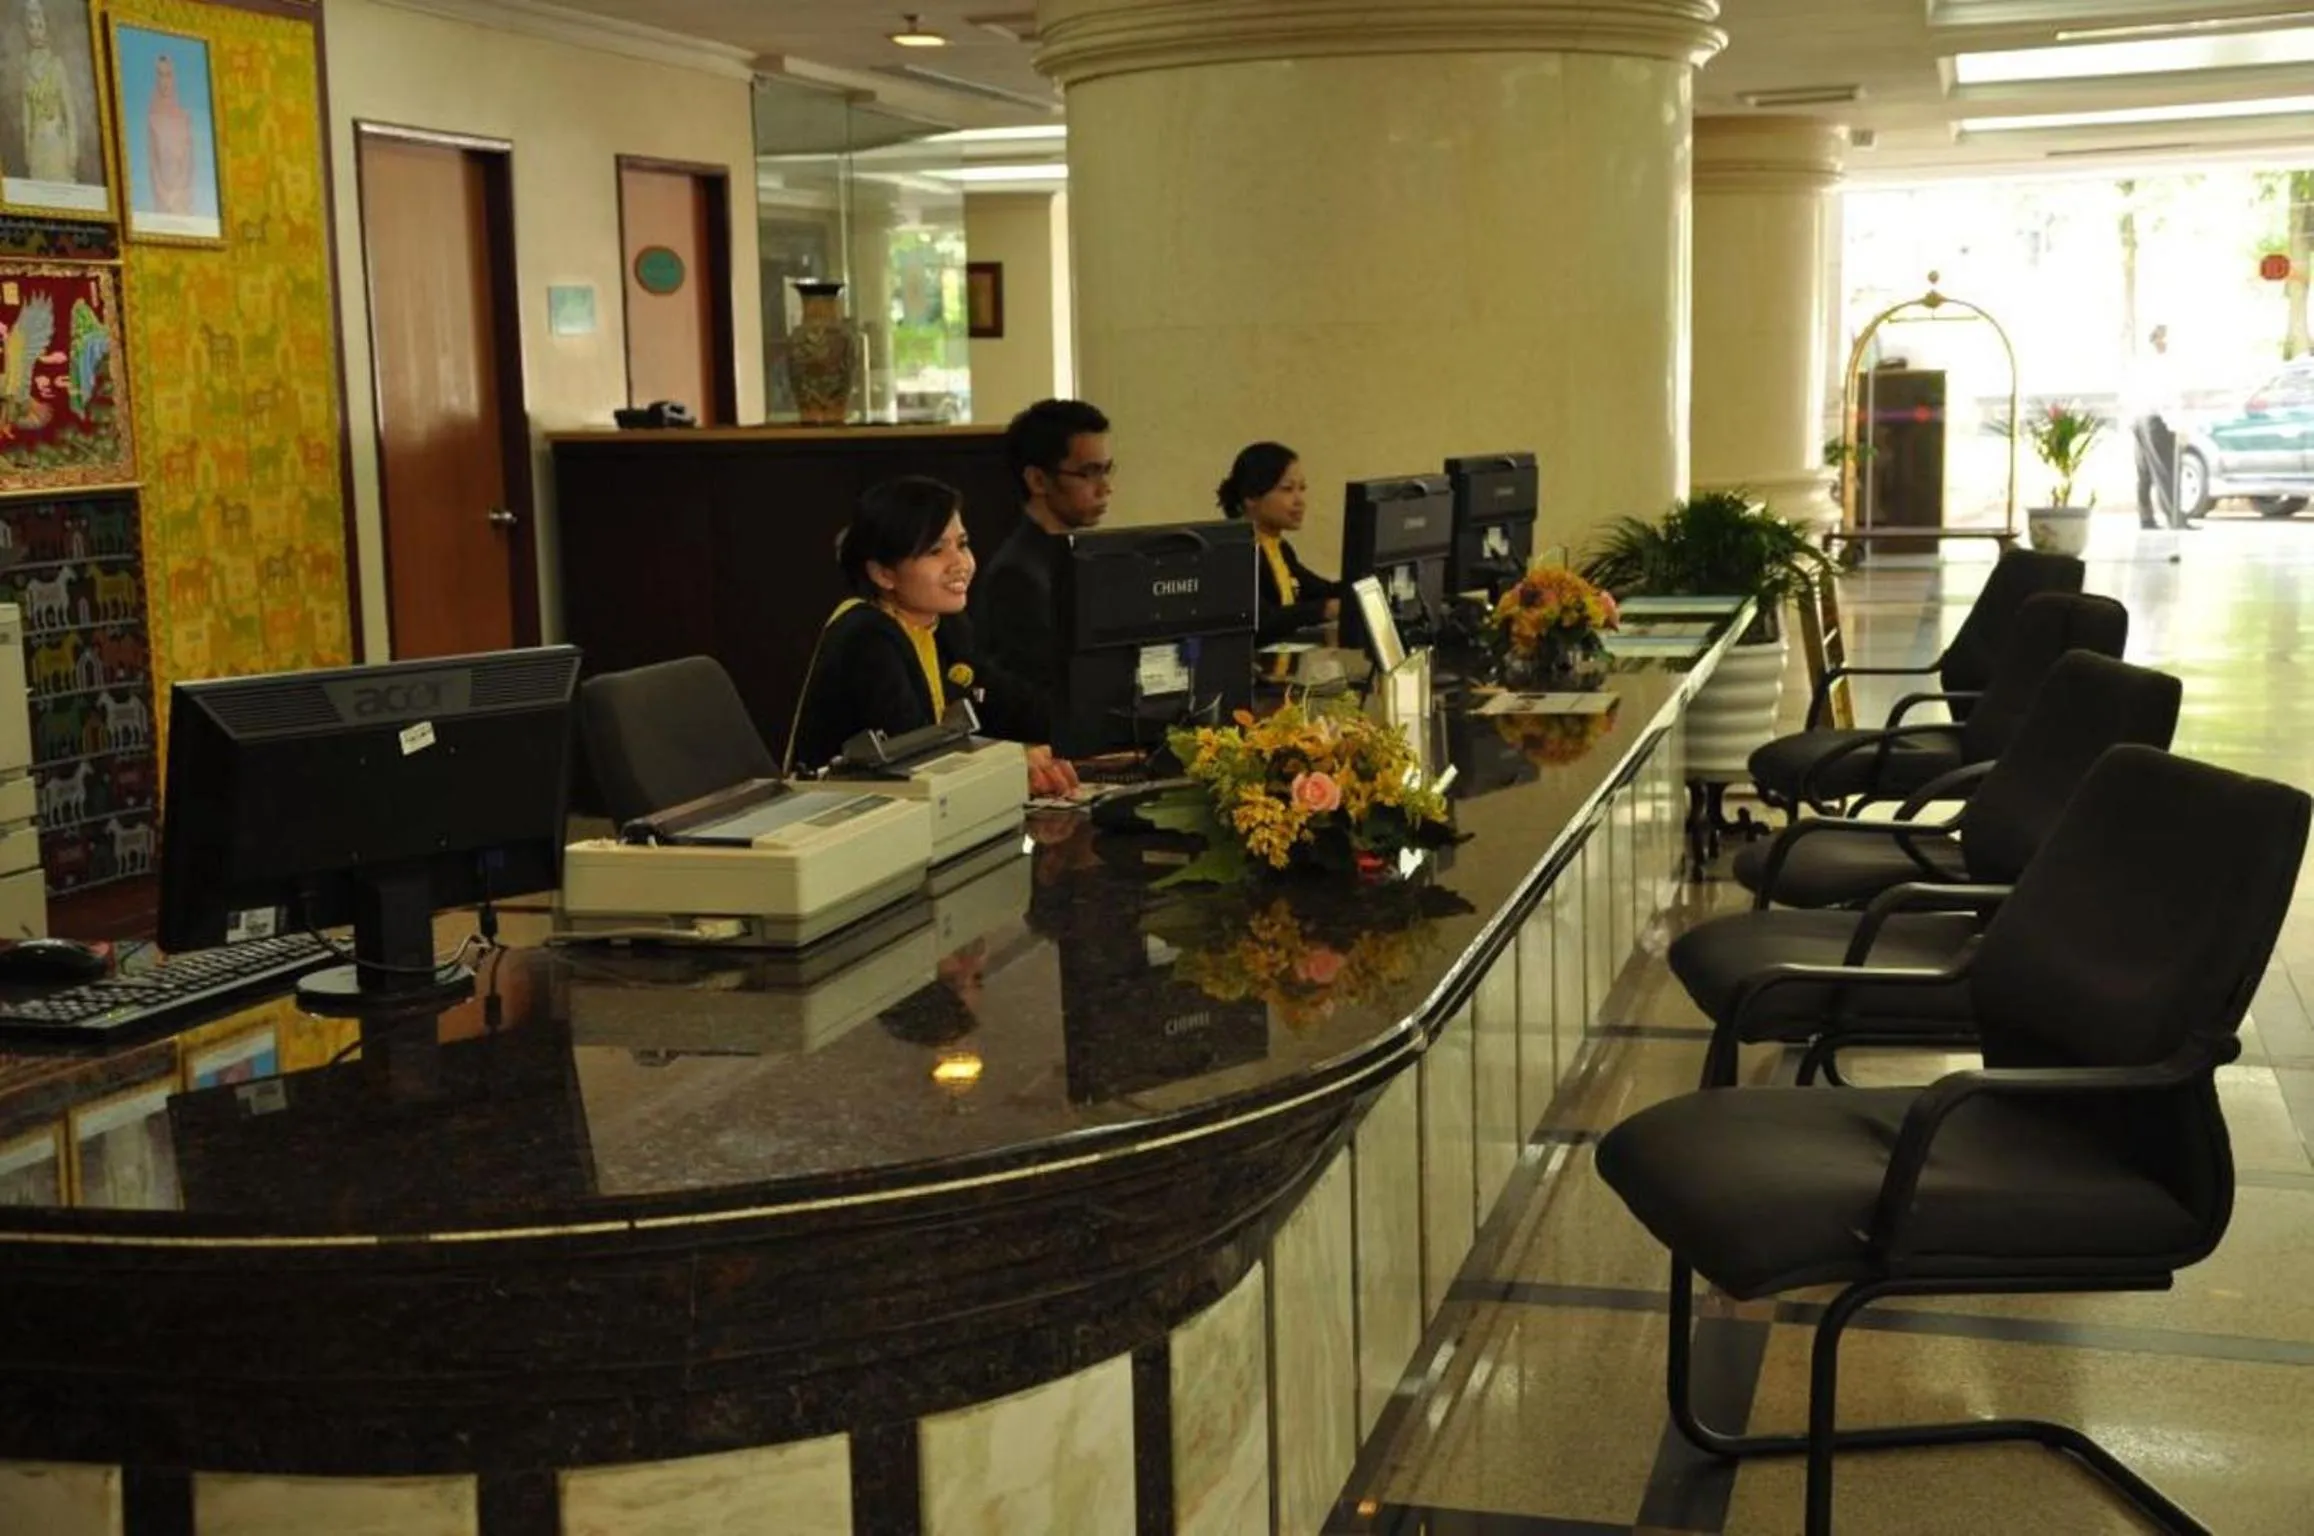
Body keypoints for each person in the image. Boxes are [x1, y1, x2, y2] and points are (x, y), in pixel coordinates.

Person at [788, 475, 1078, 798]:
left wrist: (1088, 733)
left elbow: (1004, 700)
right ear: (883, 573)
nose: (960, 564)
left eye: (963, 544)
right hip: (841, 819)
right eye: (936, 550)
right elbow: (917, 756)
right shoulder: (866, 637)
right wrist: (1015, 759)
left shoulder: (944, 624)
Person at [976, 398, 1112, 694]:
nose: (1105, 488)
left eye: (1107, 470)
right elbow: (1042, 690)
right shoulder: (1017, 574)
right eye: (1089, 473)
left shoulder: (1079, 554)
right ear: (1038, 480)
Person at [1217, 441, 1341, 642]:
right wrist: (1325, 610)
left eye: (1302, 488)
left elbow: (1319, 590)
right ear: (1251, 496)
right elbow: (1262, 620)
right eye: (1287, 489)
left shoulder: (1279, 548)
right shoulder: (1235, 554)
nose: (1299, 500)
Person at [2129, 323, 2189, 532]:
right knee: (2165, 469)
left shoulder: (2141, 361)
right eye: (2160, 337)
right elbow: (2167, 397)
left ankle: (2146, 518)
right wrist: (2176, 425)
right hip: (2154, 419)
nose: (2163, 341)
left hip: (2138, 418)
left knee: (2145, 471)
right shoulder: (2161, 363)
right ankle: (2174, 518)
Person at [20, 0, 80, 187]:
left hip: (57, 142)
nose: (36, 32)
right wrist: (27, 149)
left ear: (46, 29)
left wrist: (72, 147)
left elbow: (69, 109)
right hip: (38, 144)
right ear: (26, 30)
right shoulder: (25, 70)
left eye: (40, 26)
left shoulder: (56, 65)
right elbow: (26, 115)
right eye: (31, 26)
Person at [146, 53, 196, 217]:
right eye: (160, 75)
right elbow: (153, 163)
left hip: (182, 200)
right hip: (161, 202)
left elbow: (189, 163)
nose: (164, 81)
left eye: (168, 75)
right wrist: (164, 195)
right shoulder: (152, 118)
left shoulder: (184, 117)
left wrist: (175, 195)